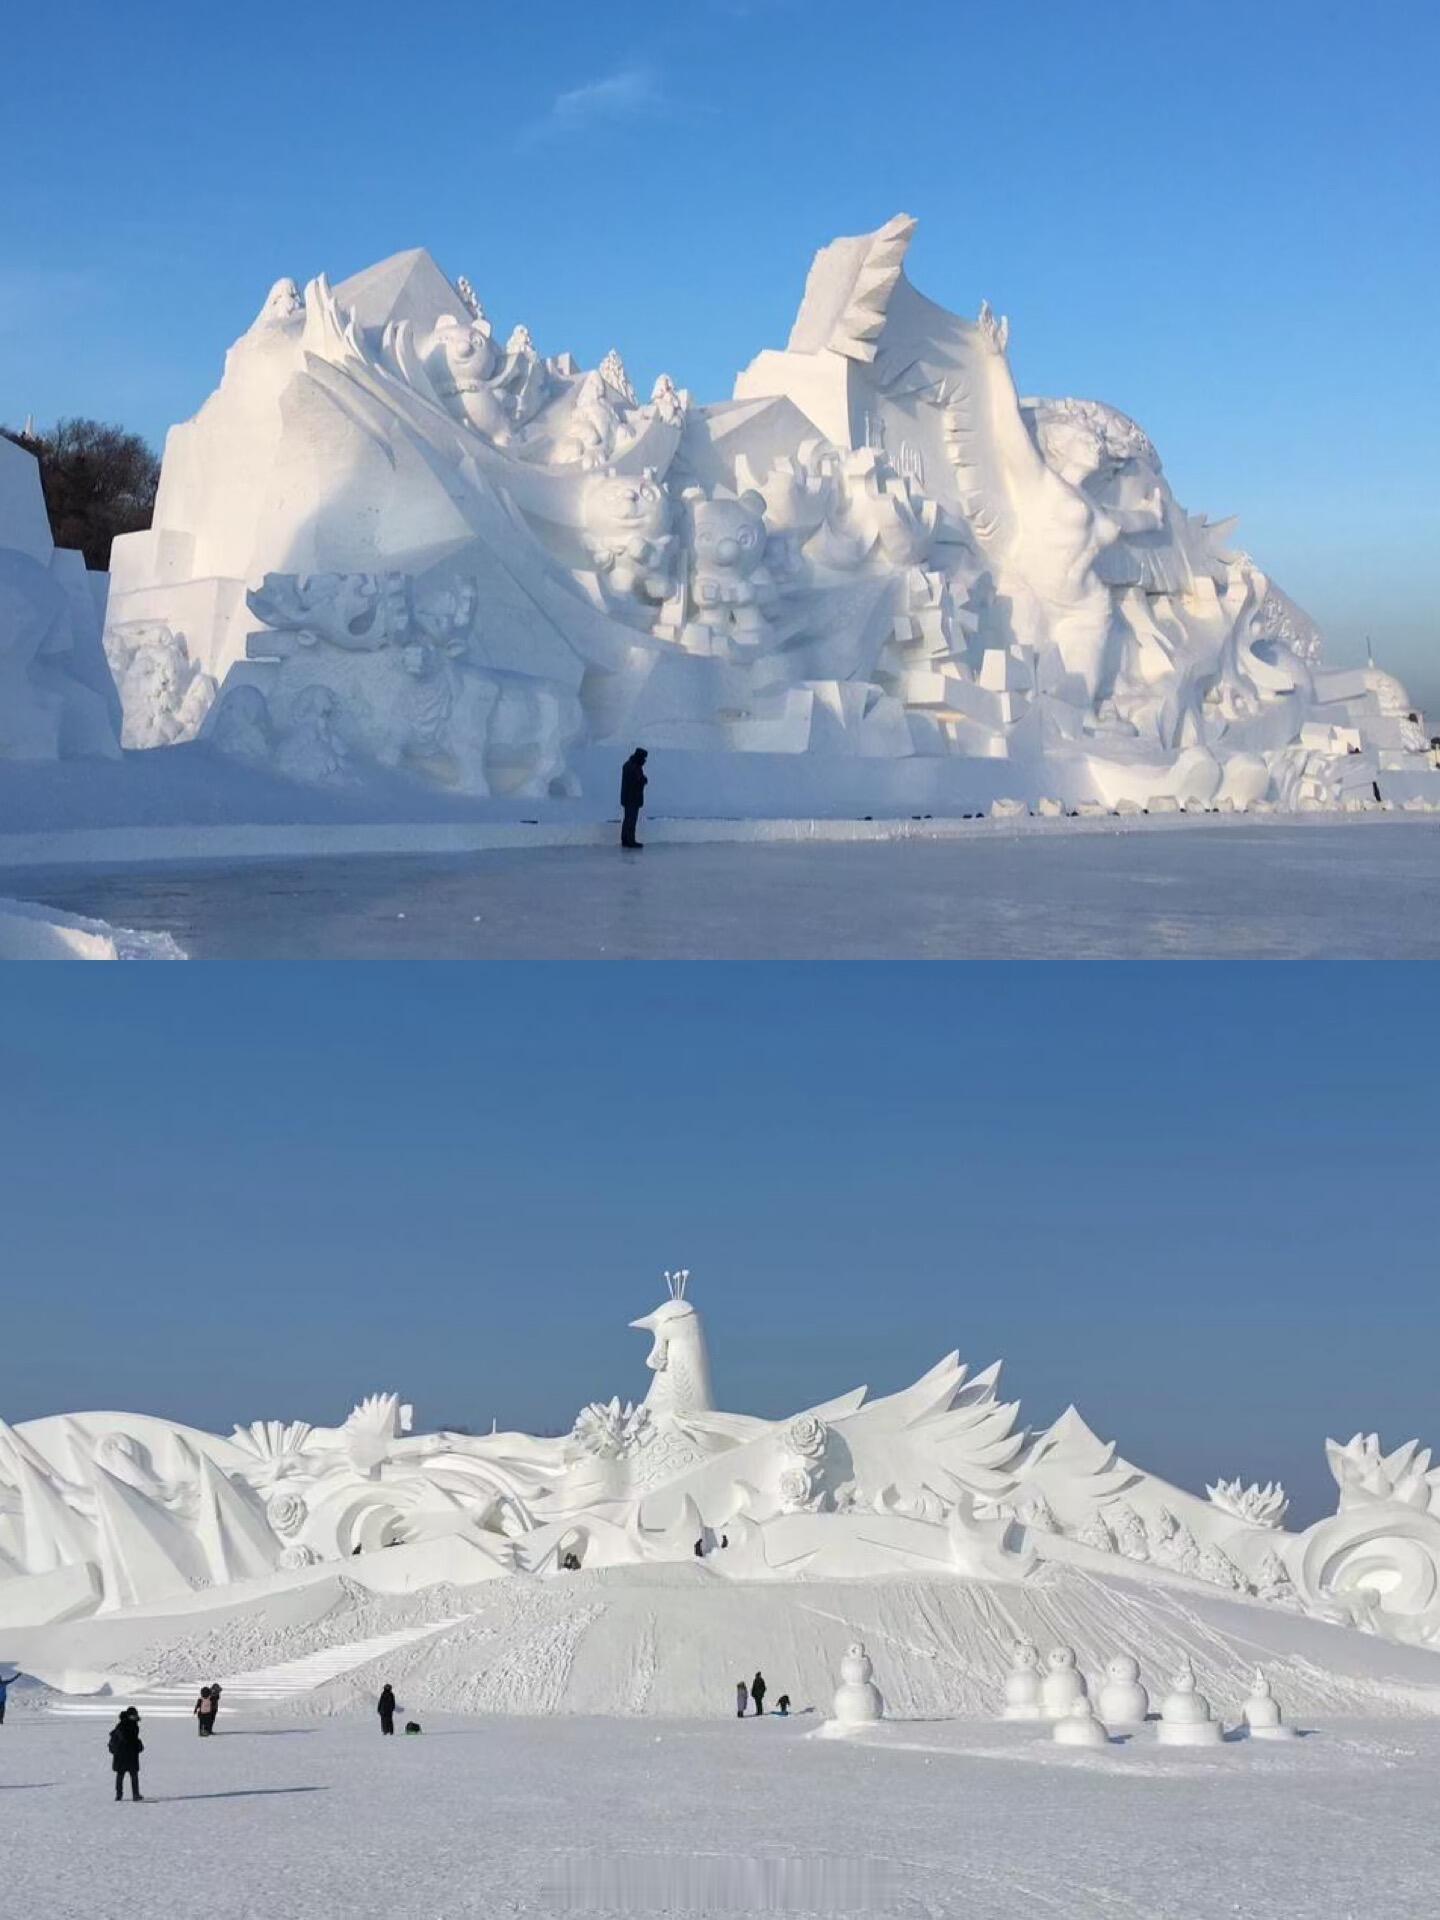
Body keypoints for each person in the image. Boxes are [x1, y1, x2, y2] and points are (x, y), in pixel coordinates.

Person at [109, 1709, 143, 1801]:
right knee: (123, 1775)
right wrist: (137, 1743)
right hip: (123, 1754)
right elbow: (127, 1739)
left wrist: (137, 1743)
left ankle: (134, 1794)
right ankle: (120, 1795)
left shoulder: (133, 1724)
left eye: (135, 1715)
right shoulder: (123, 1725)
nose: (135, 1716)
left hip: (129, 1754)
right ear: (129, 1716)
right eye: (133, 1715)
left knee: (132, 1775)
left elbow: (132, 1738)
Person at [620, 747, 648, 849]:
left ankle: (625, 839)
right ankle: (630, 841)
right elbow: (637, 781)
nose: (644, 761)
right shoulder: (634, 767)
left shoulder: (628, 765)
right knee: (631, 820)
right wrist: (643, 780)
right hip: (632, 798)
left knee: (627, 819)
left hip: (628, 797)